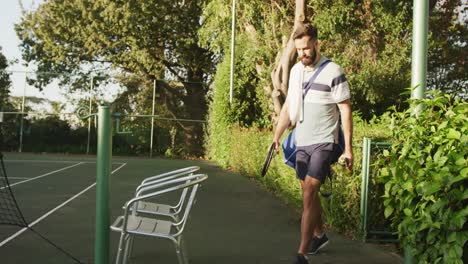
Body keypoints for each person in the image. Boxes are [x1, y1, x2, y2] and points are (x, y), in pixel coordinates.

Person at [273, 23, 354, 264]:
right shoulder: (297, 71)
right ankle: (318, 235)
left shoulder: (333, 71)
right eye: (299, 50)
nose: (303, 54)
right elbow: (288, 108)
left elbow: (345, 110)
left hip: (325, 141)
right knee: (307, 192)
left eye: (306, 49)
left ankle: (302, 253)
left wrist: (348, 148)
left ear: (317, 44)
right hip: (302, 141)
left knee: (309, 190)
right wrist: (276, 136)